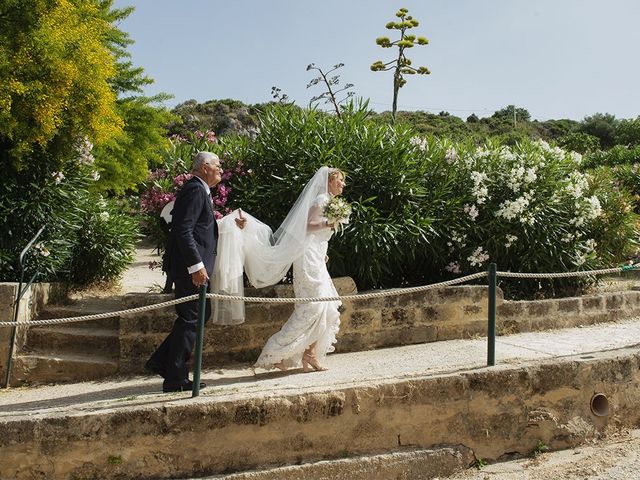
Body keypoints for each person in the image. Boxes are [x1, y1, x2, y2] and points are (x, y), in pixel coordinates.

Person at [214, 167, 346, 372]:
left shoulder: (329, 202)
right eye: (339, 181)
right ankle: (274, 352)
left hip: (317, 256)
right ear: (329, 182)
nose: (342, 184)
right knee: (311, 307)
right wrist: (330, 223)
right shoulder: (321, 199)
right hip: (308, 259)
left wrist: (323, 250)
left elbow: (317, 235)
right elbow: (308, 226)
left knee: (327, 307)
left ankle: (310, 353)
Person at [145, 151, 245, 392]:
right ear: (204, 167)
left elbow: (202, 228)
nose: (221, 169)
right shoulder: (195, 189)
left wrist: (231, 223)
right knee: (192, 318)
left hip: (191, 267)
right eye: (218, 165)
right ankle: (175, 377)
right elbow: (183, 230)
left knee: (196, 316)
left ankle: (164, 363)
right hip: (190, 268)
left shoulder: (200, 190)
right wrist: (196, 266)